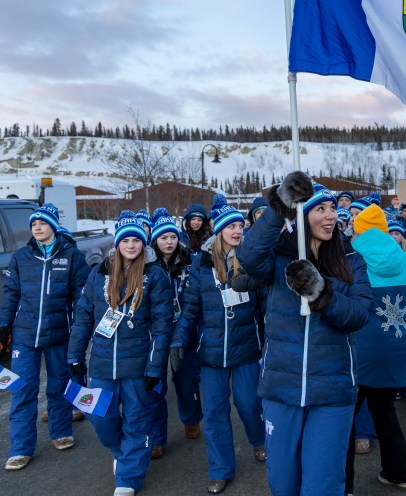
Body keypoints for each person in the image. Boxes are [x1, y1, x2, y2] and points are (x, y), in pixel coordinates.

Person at [235, 173, 372, 496]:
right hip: (282, 389)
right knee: (283, 483)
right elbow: (248, 257)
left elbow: (359, 315)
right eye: (319, 209)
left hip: (332, 393)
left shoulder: (351, 259)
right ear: (302, 215)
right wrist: (278, 207)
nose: (329, 216)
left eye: (331, 208)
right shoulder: (279, 257)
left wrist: (322, 294)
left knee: (322, 485)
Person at [67, 211, 173, 496]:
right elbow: (83, 318)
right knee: (100, 418)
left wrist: (155, 367)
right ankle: (123, 453)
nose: (130, 245)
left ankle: (128, 479)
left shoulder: (155, 276)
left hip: (137, 365)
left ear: (142, 244)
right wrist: (74, 357)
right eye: (125, 240)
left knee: (138, 421)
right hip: (102, 363)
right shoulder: (99, 273)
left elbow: (163, 327)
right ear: (117, 244)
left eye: (136, 240)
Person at [172, 195, 266, 495]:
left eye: (241, 225)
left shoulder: (252, 262)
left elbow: (266, 308)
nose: (238, 231)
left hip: (247, 349)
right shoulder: (201, 266)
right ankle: (220, 469)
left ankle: (260, 440)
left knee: (250, 405)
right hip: (210, 353)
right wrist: (179, 341)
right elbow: (189, 310)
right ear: (219, 230)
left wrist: (271, 342)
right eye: (231, 227)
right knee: (214, 412)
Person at [0, 203, 91, 471]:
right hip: (25, 334)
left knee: (59, 385)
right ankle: (20, 448)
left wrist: (79, 331)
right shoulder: (21, 257)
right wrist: (4, 325)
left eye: (43, 223)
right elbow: (11, 293)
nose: (37, 227)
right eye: (34, 224)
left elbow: (81, 298)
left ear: (53, 226)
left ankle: (60, 432)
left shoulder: (72, 256)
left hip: (59, 333)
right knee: (23, 389)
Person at [345, 204, 406, 494]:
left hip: (361, 353)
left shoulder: (352, 263)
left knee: (344, 422)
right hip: (397, 350)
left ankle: (344, 485)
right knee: (385, 412)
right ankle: (400, 473)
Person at [148, 209, 203, 458]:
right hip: (155, 334)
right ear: (155, 241)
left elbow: (194, 298)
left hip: (185, 330)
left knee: (186, 380)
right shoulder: (147, 265)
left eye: (172, 237)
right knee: (155, 385)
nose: (168, 242)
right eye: (163, 238)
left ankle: (191, 418)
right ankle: (157, 437)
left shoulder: (189, 260)